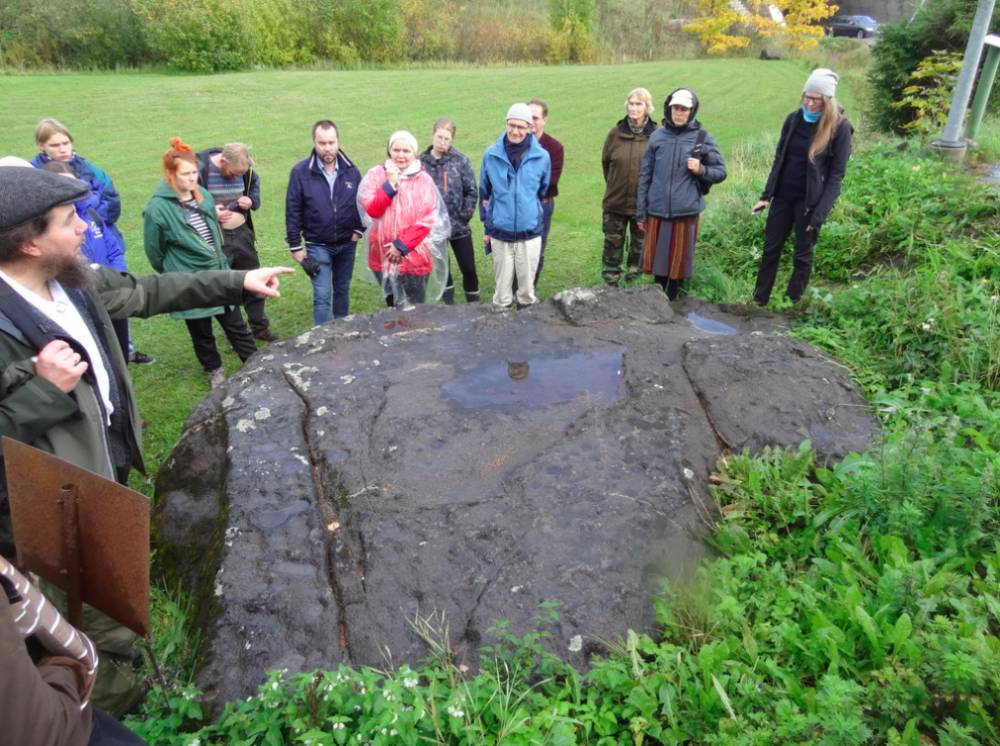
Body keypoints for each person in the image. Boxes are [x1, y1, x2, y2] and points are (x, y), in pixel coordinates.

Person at [0, 164, 291, 713]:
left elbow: (144, 290)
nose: (86, 227)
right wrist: (42, 392)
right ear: (29, 244)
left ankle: (125, 676)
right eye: (69, 220)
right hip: (40, 508)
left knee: (111, 591)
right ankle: (113, 710)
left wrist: (238, 281)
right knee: (72, 617)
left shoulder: (71, 282)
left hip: (103, 474)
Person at [31, 119, 153, 365]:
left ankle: (125, 349)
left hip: (101, 242)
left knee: (119, 310)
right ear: (42, 146)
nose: (63, 149)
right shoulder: (32, 175)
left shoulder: (87, 169)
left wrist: (95, 214)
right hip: (74, 273)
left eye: (66, 142)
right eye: (55, 145)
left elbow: (110, 197)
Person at [143, 138, 259, 389]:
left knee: (235, 322)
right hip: (189, 278)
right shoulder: (158, 209)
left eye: (195, 172)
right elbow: (155, 252)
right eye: (186, 174)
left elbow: (214, 232)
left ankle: (255, 363)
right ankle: (214, 369)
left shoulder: (203, 195)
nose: (192, 178)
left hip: (218, 271)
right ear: (171, 175)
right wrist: (177, 270)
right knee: (200, 329)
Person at [1, 556, 146, 745]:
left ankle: (117, 687)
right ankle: (116, 695)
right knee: (84, 560)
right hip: (63, 722)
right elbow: (35, 726)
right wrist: (67, 670)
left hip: (53, 700)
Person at [751, 68, 853, 306]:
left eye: (815, 99)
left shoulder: (840, 129)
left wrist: (819, 215)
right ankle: (758, 300)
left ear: (827, 100)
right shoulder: (793, 119)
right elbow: (779, 159)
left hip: (810, 203)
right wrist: (766, 196)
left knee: (802, 255)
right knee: (770, 250)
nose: (809, 103)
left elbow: (837, 176)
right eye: (806, 96)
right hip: (783, 197)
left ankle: (791, 303)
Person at [636, 88, 726, 300]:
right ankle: (658, 303)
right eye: (676, 108)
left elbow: (721, 172)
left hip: (685, 212)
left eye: (684, 109)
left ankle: (674, 306)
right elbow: (645, 176)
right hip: (657, 210)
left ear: (692, 111)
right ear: (670, 109)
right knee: (658, 266)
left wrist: (701, 170)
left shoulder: (702, 138)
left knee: (677, 266)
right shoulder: (657, 137)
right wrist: (641, 212)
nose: (679, 113)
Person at [42, 160, 133, 361]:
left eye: (72, 184)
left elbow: (114, 250)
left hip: (110, 291)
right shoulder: (49, 227)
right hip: (82, 299)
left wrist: (116, 280)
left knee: (120, 354)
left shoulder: (91, 213)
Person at [286, 120, 365, 324]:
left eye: (331, 142)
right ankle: (322, 343)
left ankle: (342, 333)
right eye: (322, 143)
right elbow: (292, 210)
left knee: (342, 290)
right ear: (314, 142)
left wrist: (358, 230)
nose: (327, 148)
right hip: (317, 246)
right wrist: (295, 247)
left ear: (338, 141)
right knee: (322, 297)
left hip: (347, 245)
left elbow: (362, 202)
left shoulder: (351, 171)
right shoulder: (300, 173)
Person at [197, 143, 277, 342]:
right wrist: (210, 211)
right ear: (223, 162)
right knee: (226, 286)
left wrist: (251, 200)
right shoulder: (201, 170)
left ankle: (259, 327)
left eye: (241, 173)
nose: (237, 177)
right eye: (234, 173)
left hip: (242, 235)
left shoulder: (245, 171)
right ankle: (238, 336)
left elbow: (254, 186)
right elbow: (187, 202)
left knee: (255, 279)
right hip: (216, 238)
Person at [360, 131, 448, 309]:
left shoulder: (423, 181)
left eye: (406, 151)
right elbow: (372, 210)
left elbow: (426, 221)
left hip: (414, 256)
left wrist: (400, 246)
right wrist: (390, 184)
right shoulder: (376, 175)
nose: (400, 155)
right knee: (392, 306)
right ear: (389, 151)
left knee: (417, 309)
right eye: (396, 150)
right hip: (382, 254)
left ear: (414, 153)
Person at [480, 104, 551, 310]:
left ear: (530, 127)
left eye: (521, 127)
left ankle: (526, 334)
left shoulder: (542, 157)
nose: (515, 131)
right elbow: (485, 192)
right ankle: (501, 335)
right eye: (512, 125)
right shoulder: (490, 155)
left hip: (529, 234)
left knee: (527, 293)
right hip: (500, 234)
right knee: (502, 293)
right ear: (506, 123)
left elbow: (542, 190)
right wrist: (488, 227)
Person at [419, 118, 480, 304]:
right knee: (442, 270)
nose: (443, 142)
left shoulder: (461, 161)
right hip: (434, 228)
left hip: (458, 227)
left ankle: (475, 305)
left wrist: (463, 217)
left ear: (452, 139)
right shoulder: (421, 163)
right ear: (433, 135)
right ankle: (449, 306)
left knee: (468, 267)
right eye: (440, 137)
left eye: (447, 139)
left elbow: (471, 191)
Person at [601, 87, 656, 286]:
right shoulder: (615, 133)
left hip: (643, 206)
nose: (634, 108)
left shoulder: (656, 135)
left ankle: (634, 284)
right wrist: (616, 185)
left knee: (640, 247)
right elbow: (606, 164)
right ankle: (610, 285)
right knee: (612, 245)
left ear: (647, 107)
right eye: (631, 104)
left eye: (638, 104)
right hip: (615, 203)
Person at [527, 100, 563, 286]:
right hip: (516, 205)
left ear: (544, 120)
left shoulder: (554, 148)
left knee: (537, 249)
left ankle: (529, 290)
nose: (531, 121)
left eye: (536, 117)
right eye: (528, 117)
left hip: (542, 204)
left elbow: (550, 181)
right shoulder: (514, 142)